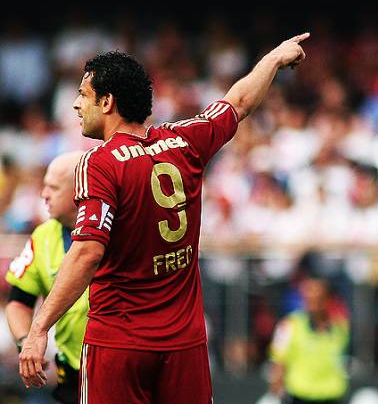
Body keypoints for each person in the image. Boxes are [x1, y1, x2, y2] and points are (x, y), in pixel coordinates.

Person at [18, 33, 309, 403]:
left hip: (119, 344)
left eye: (83, 95)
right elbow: (239, 103)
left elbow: (88, 252)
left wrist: (40, 327)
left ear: (107, 102)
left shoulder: (99, 163)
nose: (76, 105)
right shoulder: (185, 141)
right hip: (184, 344)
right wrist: (274, 59)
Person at [6, 151, 87, 404]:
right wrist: (24, 343)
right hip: (72, 370)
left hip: (123, 364)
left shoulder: (123, 227)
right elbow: (18, 301)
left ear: (79, 190)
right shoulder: (43, 236)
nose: (44, 194)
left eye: (52, 187)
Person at [267, 277, 350, 404]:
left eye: (318, 298)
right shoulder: (289, 325)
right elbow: (278, 361)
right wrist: (275, 391)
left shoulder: (340, 327)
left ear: (327, 299)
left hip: (332, 396)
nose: (312, 303)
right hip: (300, 396)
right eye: (308, 298)